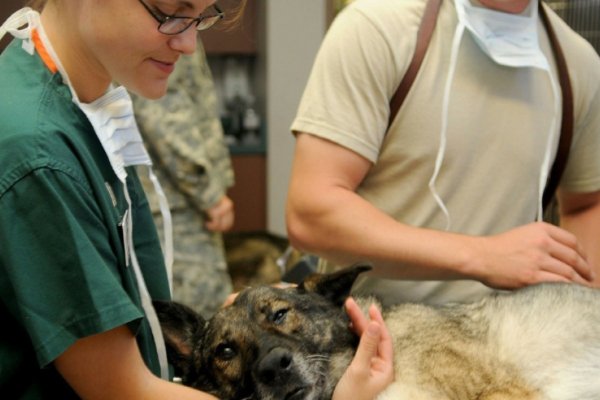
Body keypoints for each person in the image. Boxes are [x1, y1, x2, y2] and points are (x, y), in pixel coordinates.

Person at [0, 0, 393, 399]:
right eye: (169, 14)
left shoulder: (83, 108)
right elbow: (124, 392)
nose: (189, 43)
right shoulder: (38, 154)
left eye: (201, 18)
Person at [287, 0, 600, 306]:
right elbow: (311, 213)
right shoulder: (378, 28)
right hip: (375, 336)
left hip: (511, 341)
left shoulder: (578, 64)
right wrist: (482, 256)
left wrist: (581, 315)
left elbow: (587, 204)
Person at [131, 40, 235, 319]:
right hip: (175, 205)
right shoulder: (167, 24)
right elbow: (164, 115)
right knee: (197, 322)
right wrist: (209, 194)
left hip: (171, 200)